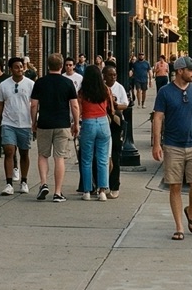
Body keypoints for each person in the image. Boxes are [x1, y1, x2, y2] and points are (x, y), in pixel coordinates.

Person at [151, 55, 192, 241]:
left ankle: (190, 210)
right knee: (175, 186)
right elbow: (158, 118)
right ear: (180, 71)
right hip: (172, 145)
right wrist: (157, 144)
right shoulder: (165, 92)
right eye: (190, 70)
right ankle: (179, 227)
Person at [30, 52, 80, 202]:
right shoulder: (68, 83)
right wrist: (76, 123)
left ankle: (43, 183)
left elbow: (33, 105)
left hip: (44, 123)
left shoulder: (40, 82)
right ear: (61, 66)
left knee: (43, 155)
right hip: (62, 124)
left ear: (48, 66)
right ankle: (58, 192)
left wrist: (34, 121)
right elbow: (74, 105)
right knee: (59, 158)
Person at [0, 56, 34, 196]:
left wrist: (34, 121)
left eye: (21, 67)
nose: (20, 69)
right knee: (9, 151)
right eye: (16, 67)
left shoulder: (30, 84)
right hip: (8, 122)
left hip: (25, 123)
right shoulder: (4, 85)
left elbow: (35, 104)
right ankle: (9, 183)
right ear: (10, 69)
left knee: (24, 152)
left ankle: (24, 181)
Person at [75, 65, 111, 201]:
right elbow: (110, 108)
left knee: (86, 159)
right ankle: (102, 191)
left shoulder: (82, 92)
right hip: (103, 122)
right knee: (103, 159)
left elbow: (79, 110)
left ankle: (87, 191)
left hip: (88, 122)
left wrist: (75, 124)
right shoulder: (105, 90)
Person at [102, 64, 130, 198]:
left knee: (115, 155)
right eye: (110, 75)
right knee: (101, 156)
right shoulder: (100, 87)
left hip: (115, 124)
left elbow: (126, 104)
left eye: (114, 75)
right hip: (102, 122)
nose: (113, 77)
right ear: (104, 76)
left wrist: (115, 105)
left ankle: (114, 186)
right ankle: (100, 185)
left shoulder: (119, 87)